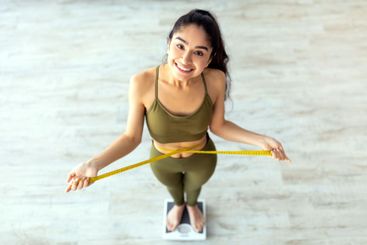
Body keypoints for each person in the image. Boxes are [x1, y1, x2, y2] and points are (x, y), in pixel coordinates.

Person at [65, 9, 290, 233]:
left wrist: (261, 140)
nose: (185, 59)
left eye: (198, 53)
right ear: (169, 42)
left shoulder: (215, 80)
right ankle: (179, 205)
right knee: (173, 189)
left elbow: (219, 126)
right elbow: (131, 137)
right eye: (180, 46)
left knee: (194, 189)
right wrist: (93, 164)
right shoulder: (142, 82)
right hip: (163, 161)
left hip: (202, 159)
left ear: (210, 57)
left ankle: (191, 205)